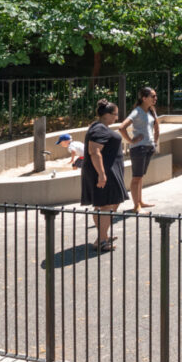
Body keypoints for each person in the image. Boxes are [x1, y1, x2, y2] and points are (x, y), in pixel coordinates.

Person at [79, 99, 127, 251]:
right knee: (105, 205)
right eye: (115, 114)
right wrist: (101, 174)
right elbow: (94, 151)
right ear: (106, 115)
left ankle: (103, 234)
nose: (117, 118)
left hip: (110, 171)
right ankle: (101, 240)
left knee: (111, 203)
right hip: (105, 173)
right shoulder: (99, 129)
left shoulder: (99, 127)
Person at [118, 86, 160, 211]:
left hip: (148, 147)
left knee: (140, 176)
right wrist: (130, 140)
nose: (155, 98)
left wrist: (154, 143)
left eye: (155, 96)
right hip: (139, 148)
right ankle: (136, 206)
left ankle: (140, 201)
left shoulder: (151, 110)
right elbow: (121, 127)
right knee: (136, 177)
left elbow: (156, 127)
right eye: (153, 96)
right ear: (144, 98)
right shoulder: (137, 111)